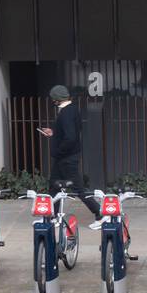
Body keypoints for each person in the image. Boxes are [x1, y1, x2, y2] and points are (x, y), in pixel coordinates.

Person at [37, 85, 102, 225]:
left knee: (78, 189)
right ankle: (52, 216)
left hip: (66, 158)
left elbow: (70, 138)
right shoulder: (72, 109)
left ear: (56, 99)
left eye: (52, 99)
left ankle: (100, 213)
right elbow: (69, 131)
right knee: (54, 187)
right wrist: (54, 132)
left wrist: (58, 151)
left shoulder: (65, 112)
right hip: (65, 157)